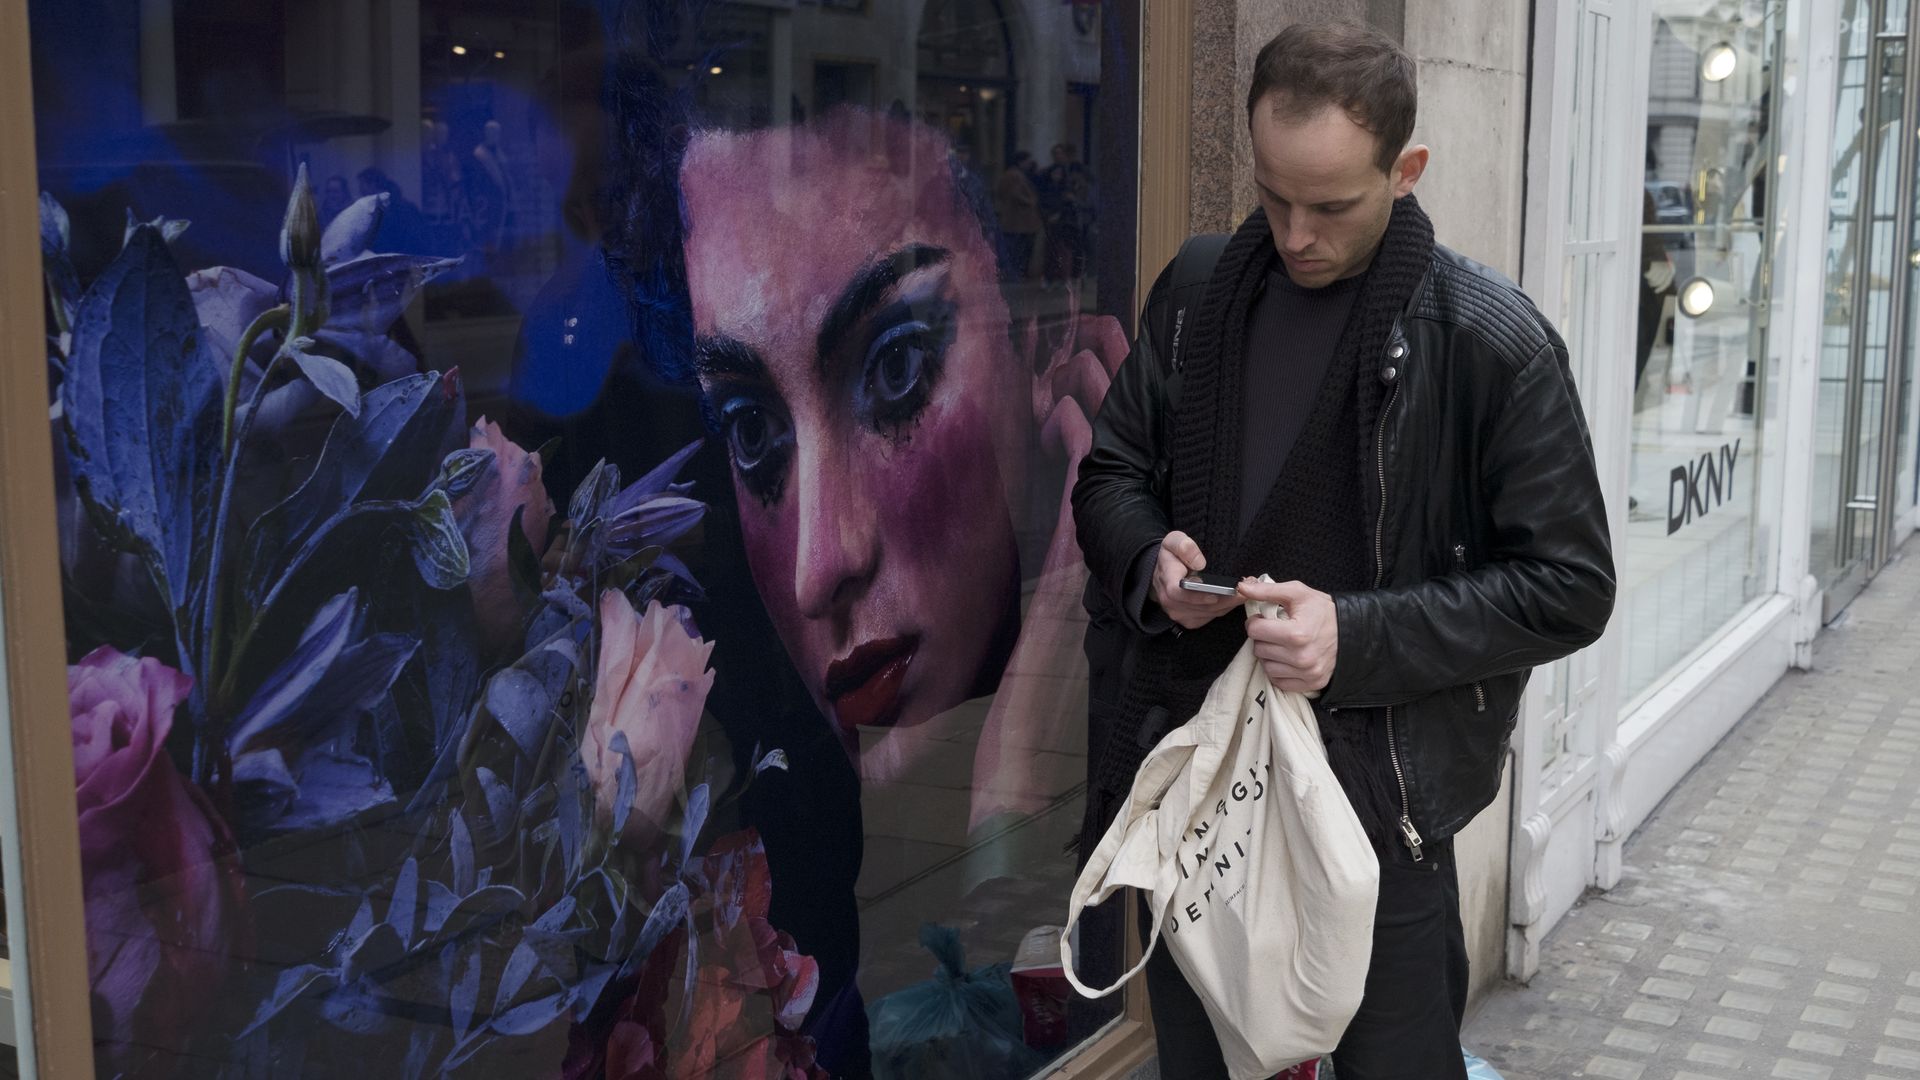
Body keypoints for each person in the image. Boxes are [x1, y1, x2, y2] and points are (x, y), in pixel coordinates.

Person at [1071, 22, 1614, 1080]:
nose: (1293, 233)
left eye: (1331, 205)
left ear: (1405, 172)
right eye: (1272, 195)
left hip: (1379, 803)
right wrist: (1150, 563)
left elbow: (1570, 588)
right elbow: (1110, 475)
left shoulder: (1490, 343)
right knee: (1203, 1061)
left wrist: (1352, 634)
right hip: (1201, 777)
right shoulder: (1196, 294)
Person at [677, 107, 1127, 824]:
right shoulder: (756, 822)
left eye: (897, 368)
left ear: (1045, 330)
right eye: (753, 431)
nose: (819, 569)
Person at [995, 150, 1044, 280]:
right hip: (1019, 220)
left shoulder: (1012, 174)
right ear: (1021, 162)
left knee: (1017, 249)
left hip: (1017, 220)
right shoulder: (1015, 175)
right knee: (1019, 250)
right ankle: (1017, 274)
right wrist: (1031, 201)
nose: (1029, 164)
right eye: (1027, 161)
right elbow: (1015, 194)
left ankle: (1017, 273)